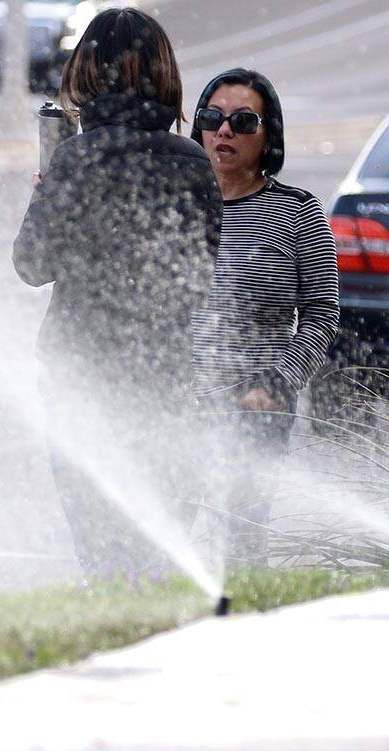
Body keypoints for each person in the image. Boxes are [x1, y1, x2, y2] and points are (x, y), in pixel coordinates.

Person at [13, 7, 223, 575]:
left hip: (82, 377)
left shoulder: (76, 158)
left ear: (88, 73)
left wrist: (48, 191)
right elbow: (199, 278)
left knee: (101, 546)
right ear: (163, 76)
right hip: (166, 378)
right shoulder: (195, 163)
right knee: (158, 545)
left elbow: (32, 264)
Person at [189, 68, 339, 564]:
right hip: (174, 403)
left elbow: (321, 315)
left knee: (241, 546)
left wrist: (275, 384)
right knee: (164, 535)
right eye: (212, 117)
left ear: (268, 134)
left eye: (243, 121)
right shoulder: (175, 205)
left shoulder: (297, 213)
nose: (224, 130)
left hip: (254, 408)